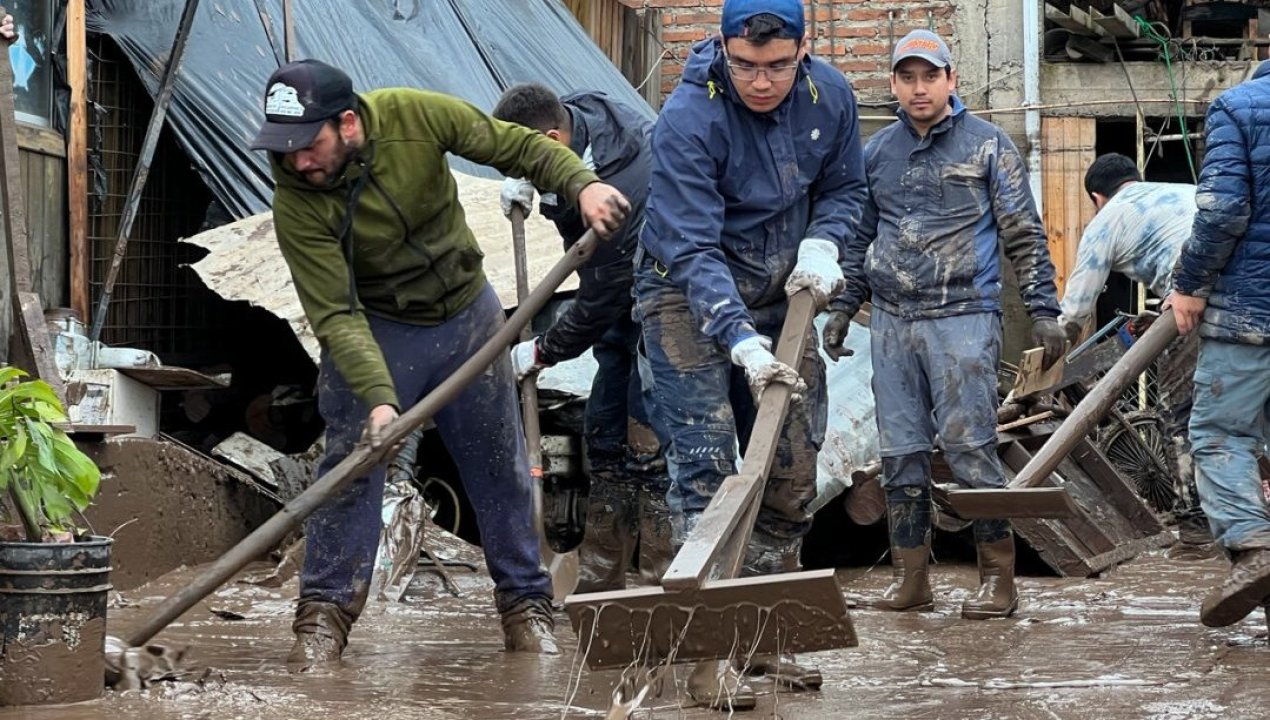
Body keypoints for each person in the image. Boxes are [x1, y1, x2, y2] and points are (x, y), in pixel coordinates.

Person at [250, 59, 629, 671]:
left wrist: (580, 184)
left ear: (348, 124)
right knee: (350, 467)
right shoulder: (296, 199)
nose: (298, 162)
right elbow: (336, 315)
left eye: (309, 144)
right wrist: (377, 397)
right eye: (284, 149)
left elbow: (513, 143)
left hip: (467, 317)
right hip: (376, 328)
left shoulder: (412, 114)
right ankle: (322, 616)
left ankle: (526, 607)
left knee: (497, 464)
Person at [636, 0, 867, 709]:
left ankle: (759, 633)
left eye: (775, 65)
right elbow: (690, 243)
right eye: (744, 65)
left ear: (803, 48)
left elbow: (845, 188)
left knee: (794, 471)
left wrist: (826, 244)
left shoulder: (831, 95)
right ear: (723, 49)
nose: (759, 81)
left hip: (784, 289)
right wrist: (736, 336)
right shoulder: (688, 117)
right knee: (706, 470)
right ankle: (705, 657)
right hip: (684, 291)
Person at [827, 30, 1064, 621]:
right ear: (894, 86)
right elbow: (859, 239)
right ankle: (912, 578)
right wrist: (839, 308)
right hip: (891, 321)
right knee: (900, 451)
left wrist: (1043, 310)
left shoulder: (988, 146)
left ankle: (997, 581)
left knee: (969, 448)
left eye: (929, 76)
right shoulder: (876, 153)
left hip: (962, 318)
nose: (919, 88)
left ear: (951, 80)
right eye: (907, 78)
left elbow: (1023, 234)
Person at [492, 83, 672, 592]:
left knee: (651, 442)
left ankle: (661, 584)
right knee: (605, 434)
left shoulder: (626, 182)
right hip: (619, 302)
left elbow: (602, 293)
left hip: (662, 302)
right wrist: (533, 183)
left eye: (527, 161)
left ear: (553, 139)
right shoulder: (581, 116)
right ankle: (598, 580)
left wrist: (546, 350)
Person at [1060, 153, 1215, 558]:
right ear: (1135, 179)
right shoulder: (1187, 192)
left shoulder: (1108, 218)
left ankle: (1196, 529)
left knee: (1179, 410)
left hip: (1191, 298)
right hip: (1248, 292)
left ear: (1098, 197)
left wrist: (1053, 353)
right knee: (1241, 407)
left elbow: (1076, 309)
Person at [1169, 62, 1270, 629]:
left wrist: (1189, 284)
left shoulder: (1239, 107)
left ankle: (1255, 548)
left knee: (1219, 433)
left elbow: (1225, 209)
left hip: (1252, 312)